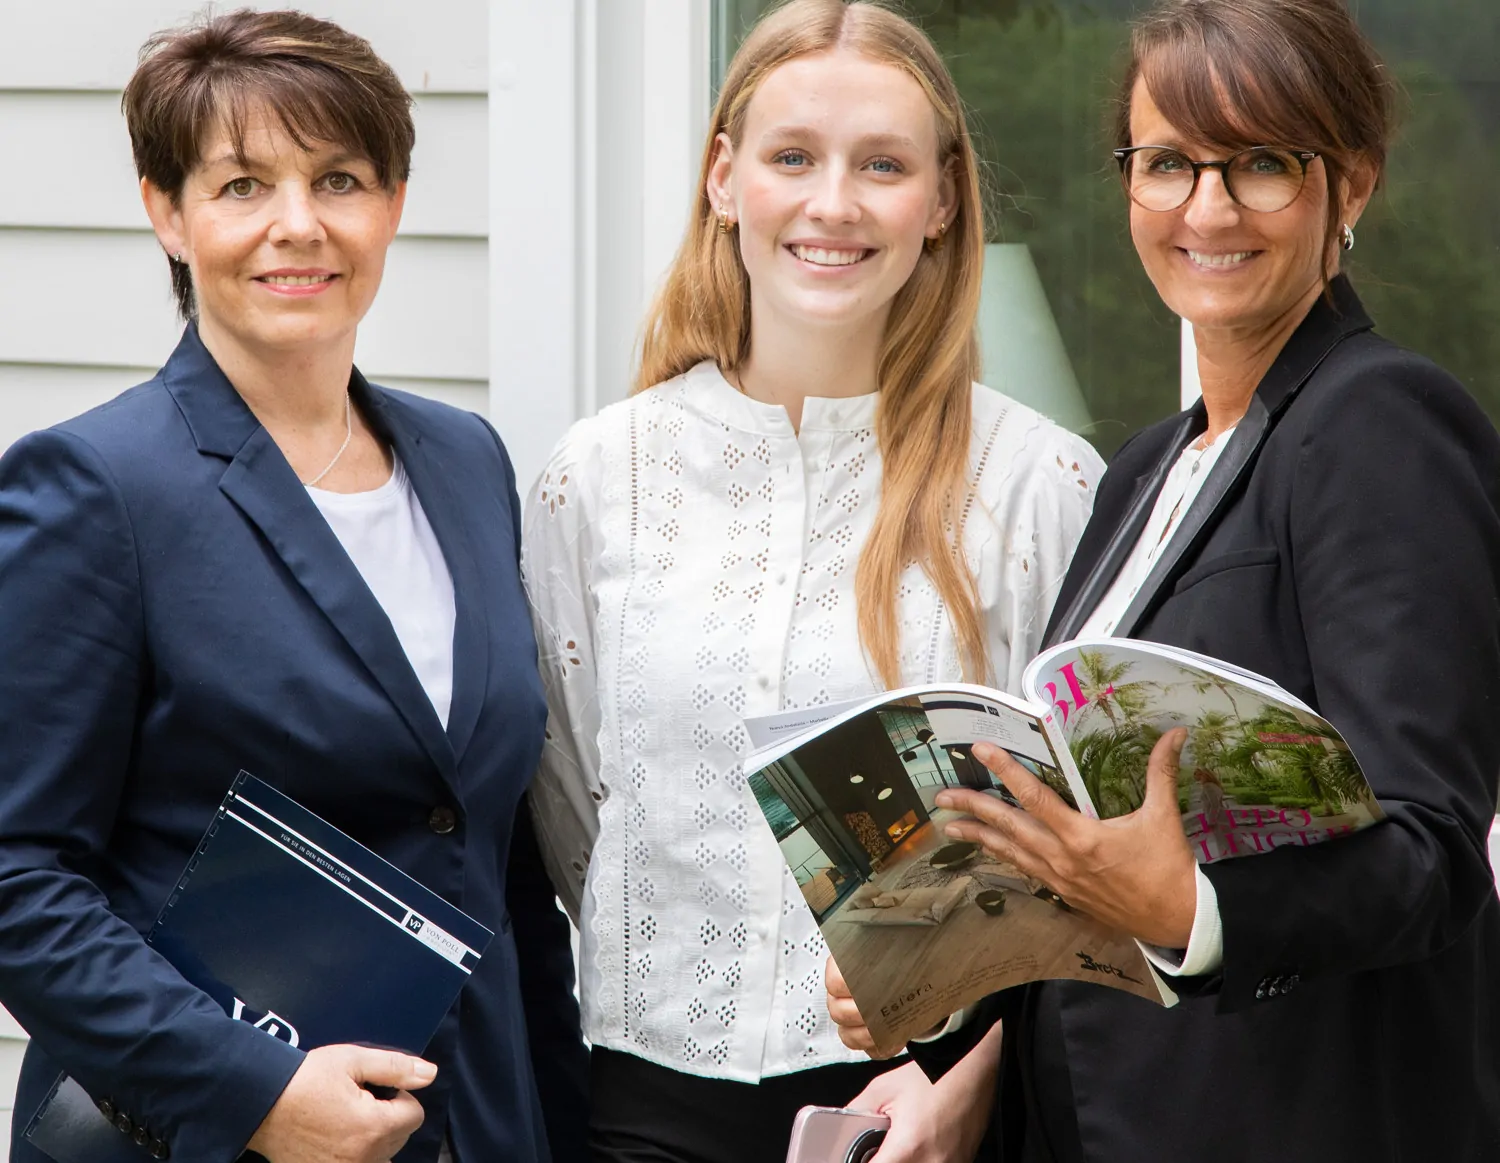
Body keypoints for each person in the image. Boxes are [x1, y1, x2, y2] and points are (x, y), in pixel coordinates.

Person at [827, 1, 1500, 1159]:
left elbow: (1430, 848)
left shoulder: (1380, 420)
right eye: (1170, 164)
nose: (1208, 207)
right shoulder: (1148, 465)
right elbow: (1089, 858)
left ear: (1353, 183)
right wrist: (936, 975)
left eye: (1262, 164)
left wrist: (1195, 910)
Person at [520, 1, 1103, 1160]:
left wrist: (971, 1075)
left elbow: (1082, 865)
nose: (833, 203)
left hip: (922, 1110)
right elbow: (579, 808)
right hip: (640, 1101)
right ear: (724, 180)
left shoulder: (1041, 484)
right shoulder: (596, 478)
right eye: (793, 158)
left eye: (881, 165)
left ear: (940, 203)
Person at [0, 12, 584, 1163]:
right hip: (216, 1134)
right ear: (166, 211)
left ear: (395, 202)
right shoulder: (96, 487)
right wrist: (254, 1087)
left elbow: (493, 845)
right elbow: (17, 873)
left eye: (340, 179)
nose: (298, 226)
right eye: (241, 186)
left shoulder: (465, 461)